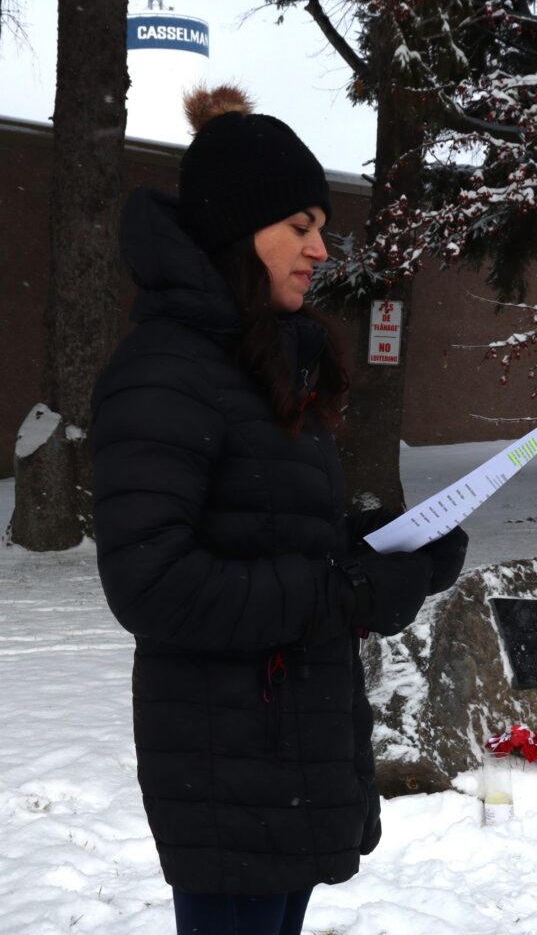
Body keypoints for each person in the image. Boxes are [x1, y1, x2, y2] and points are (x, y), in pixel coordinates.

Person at [90, 85, 468, 935]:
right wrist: (345, 591)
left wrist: (386, 549)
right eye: (299, 227)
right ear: (238, 230)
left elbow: (271, 532)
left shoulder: (258, 366)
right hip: (226, 766)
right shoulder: (167, 373)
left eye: (320, 228)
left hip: (283, 746)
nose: (320, 249)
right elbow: (155, 584)